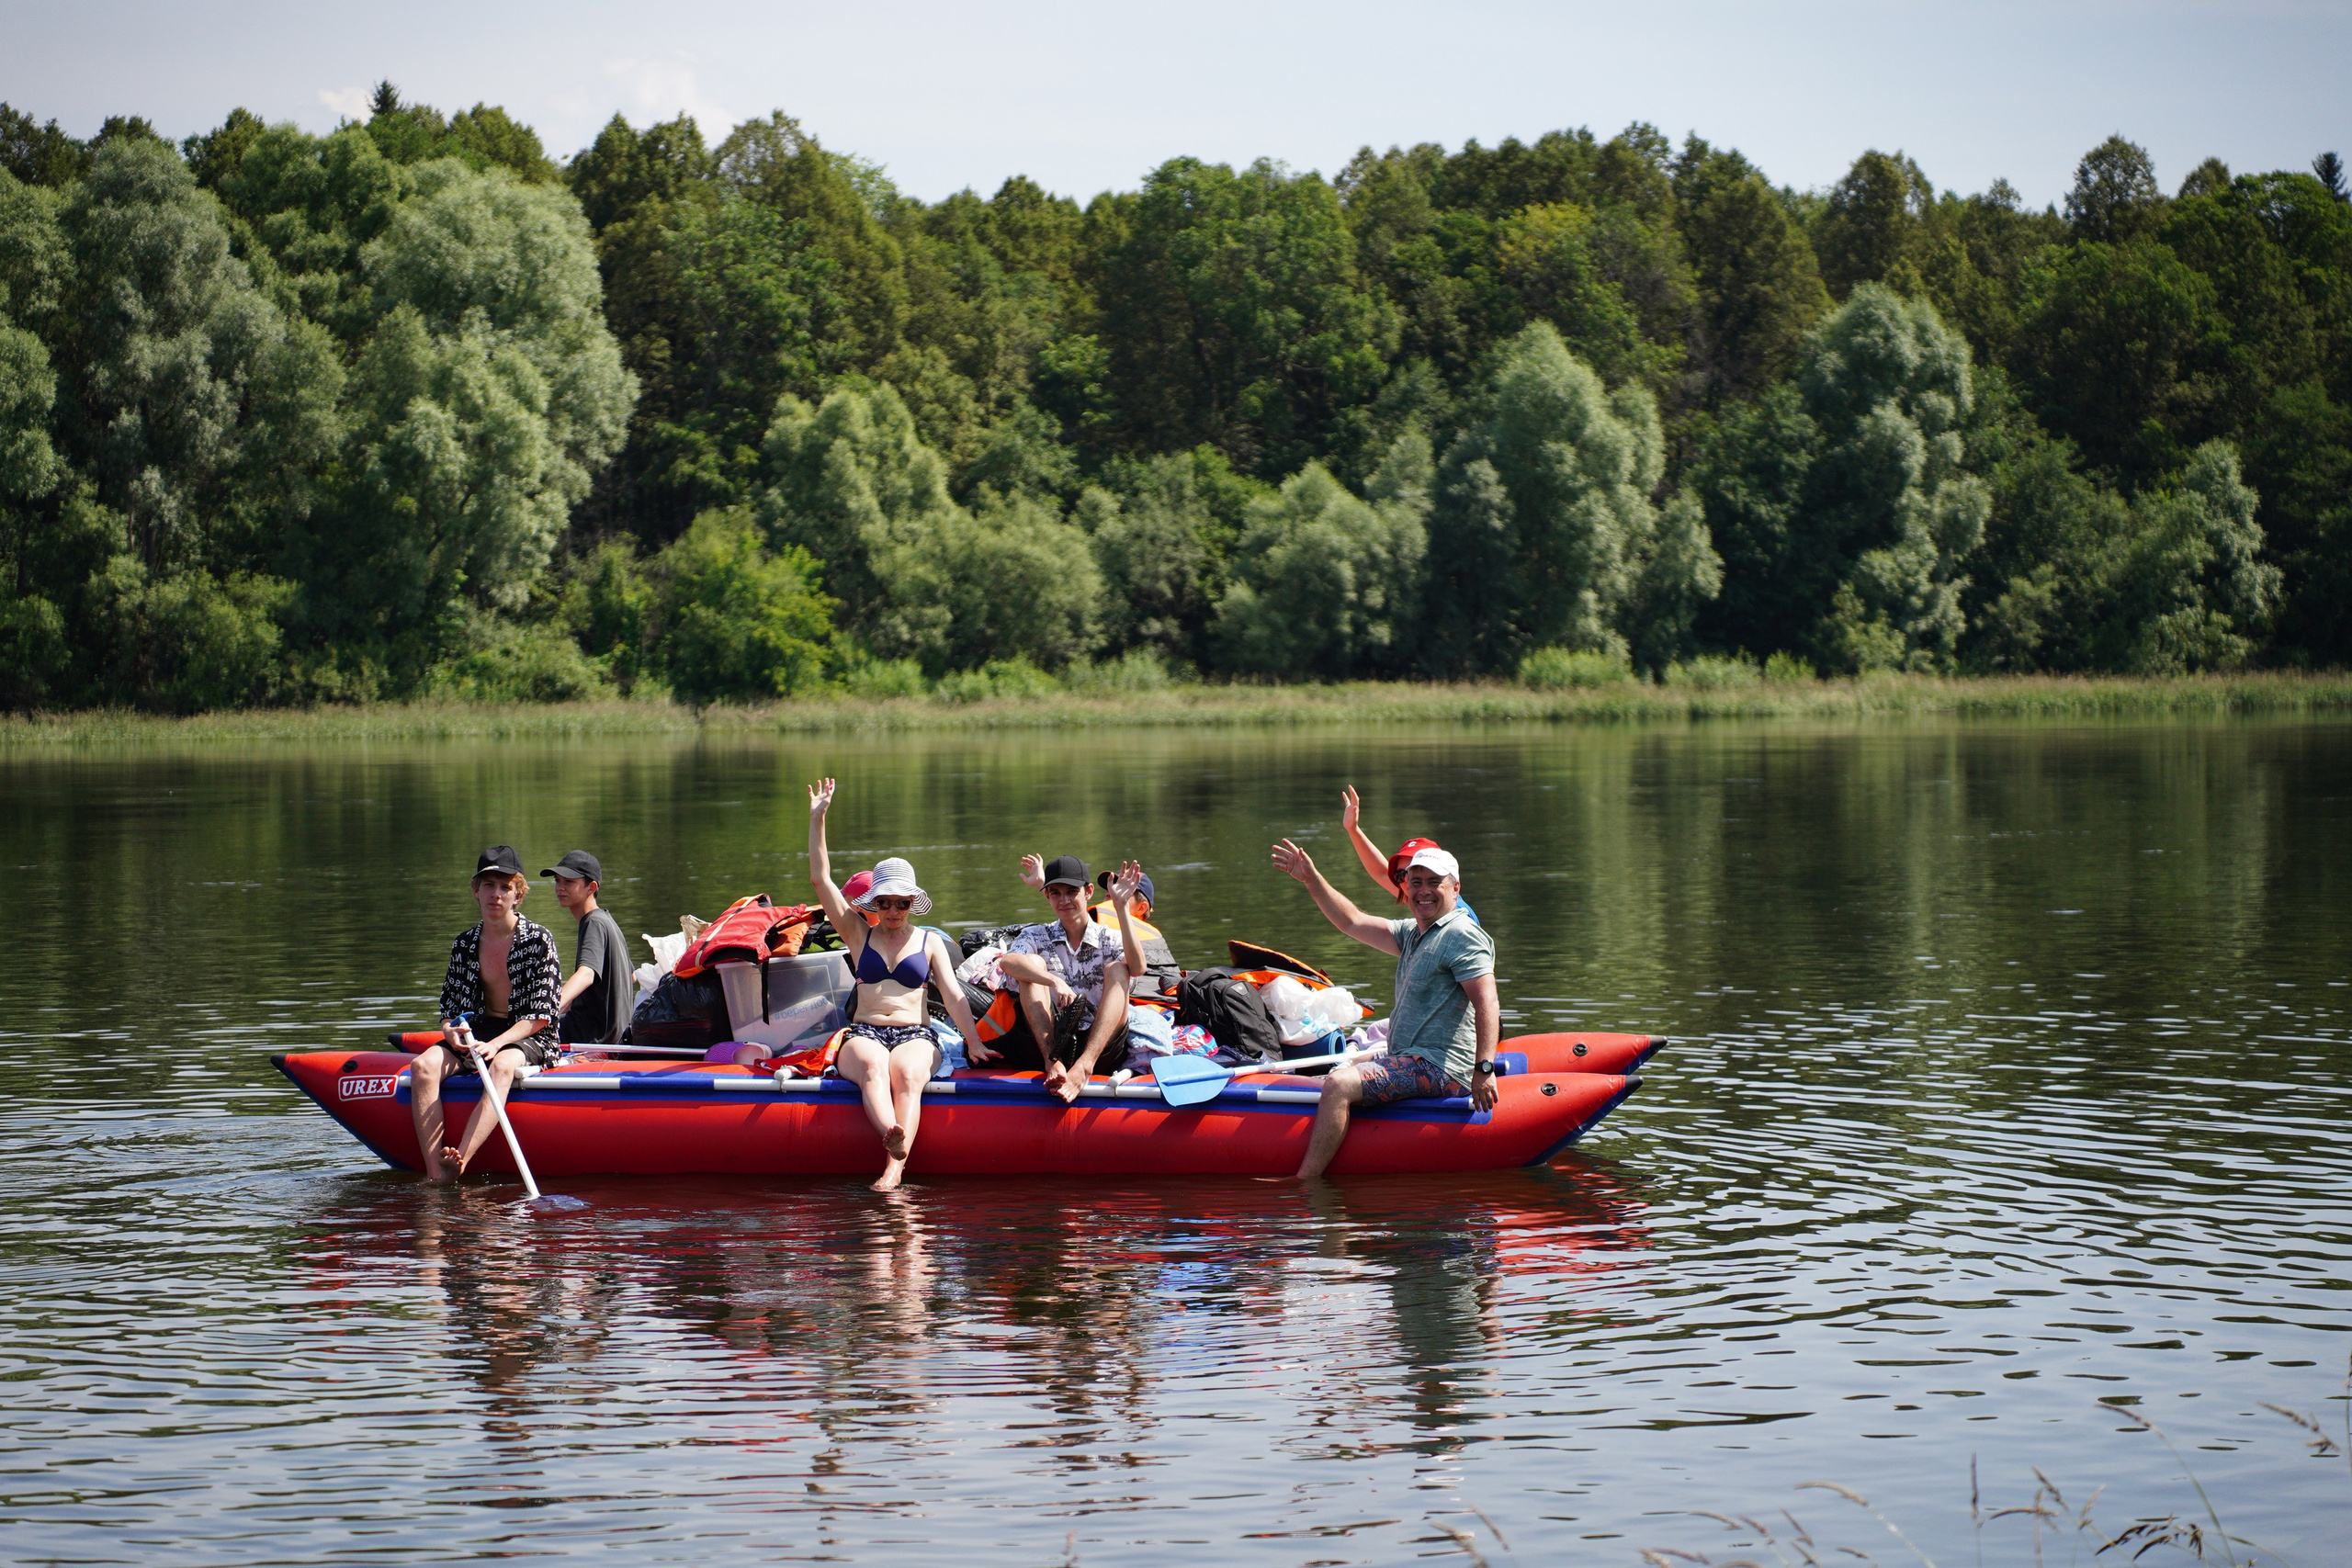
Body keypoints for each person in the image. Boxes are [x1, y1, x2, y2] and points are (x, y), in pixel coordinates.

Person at [1270, 838, 1499, 1180]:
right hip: (1409, 1057)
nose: (1424, 891)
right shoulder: (1414, 933)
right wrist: (1312, 880)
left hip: (1439, 1067)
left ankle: (1305, 1182)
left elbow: (1487, 1002)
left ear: (1455, 887)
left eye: (1434, 882)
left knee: (1338, 1084)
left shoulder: (1461, 934)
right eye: (1416, 882)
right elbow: (1352, 922)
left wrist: (1484, 1067)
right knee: (1331, 1067)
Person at [808, 778, 988, 1192]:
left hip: (915, 1033)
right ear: (874, 904)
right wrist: (817, 819)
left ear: (912, 904)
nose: (893, 910)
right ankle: (893, 1133)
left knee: (906, 1071)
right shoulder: (858, 934)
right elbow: (821, 880)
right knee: (872, 1066)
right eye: (885, 902)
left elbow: (955, 995)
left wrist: (973, 1041)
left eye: (901, 903)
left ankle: (893, 1170)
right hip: (865, 1030)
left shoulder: (930, 942)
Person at [413, 846, 564, 1181]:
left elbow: (542, 1015)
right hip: (479, 1030)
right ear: (475, 891)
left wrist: (497, 1044)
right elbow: (450, 1008)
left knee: (503, 1064)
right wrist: (449, 1029)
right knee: (422, 1066)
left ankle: (462, 1158)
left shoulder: (539, 940)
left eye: (505, 887)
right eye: (488, 885)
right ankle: (437, 1172)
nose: (496, 894)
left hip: (529, 1034)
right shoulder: (464, 944)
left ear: (518, 895)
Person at [995, 854, 1134, 1102]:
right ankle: (1053, 1063)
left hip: (1100, 1049)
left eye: (1072, 891)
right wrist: (1053, 980)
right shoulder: (1036, 935)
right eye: (1056, 893)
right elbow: (1007, 962)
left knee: (1119, 969)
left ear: (1088, 891)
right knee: (1033, 964)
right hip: (1048, 1044)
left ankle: (1084, 1066)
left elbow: (1139, 967)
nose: (1065, 900)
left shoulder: (1108, 938)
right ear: (1046, 895)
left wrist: (1122, 907)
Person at [1338, 785, 1481, 926]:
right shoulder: (1428, 901)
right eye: (1400, 875)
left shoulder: (1457, 919)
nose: (1407, 880)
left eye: (1412, 871)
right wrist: (1353, 830)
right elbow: (1381, 872)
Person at [545, 850, 634, 1047]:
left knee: (515, 1031)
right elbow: (631, 976)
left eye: (569, 882)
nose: (560, 887)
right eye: (557, 881)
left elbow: (586, 975)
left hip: (592, 1038)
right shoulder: (606, 920)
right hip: (614, 1036)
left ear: (591, 887)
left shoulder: (593, 922)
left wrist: (547, 1009)